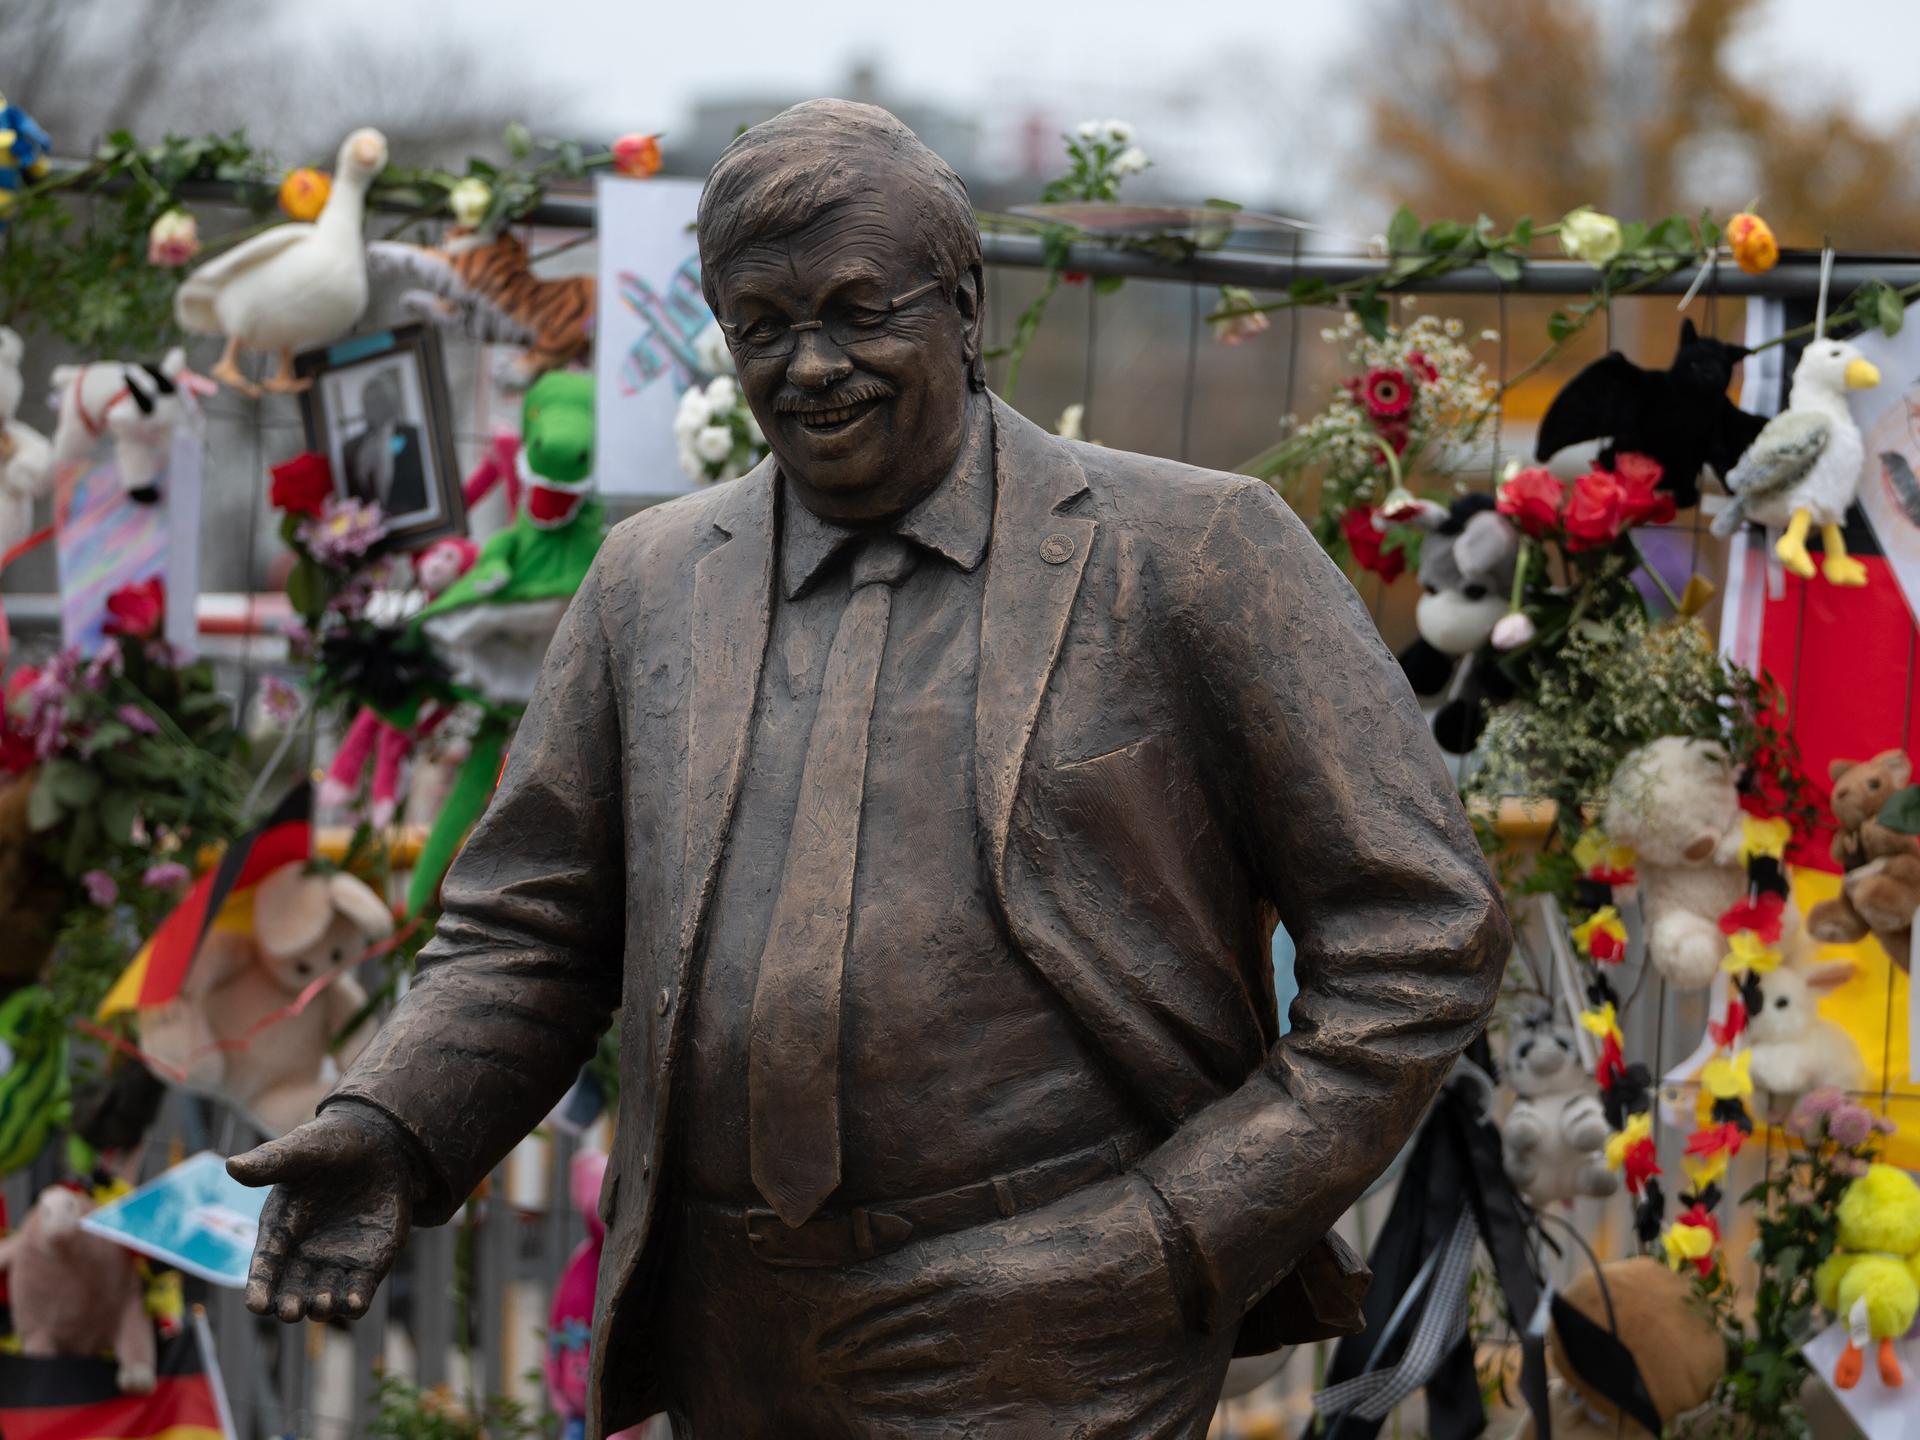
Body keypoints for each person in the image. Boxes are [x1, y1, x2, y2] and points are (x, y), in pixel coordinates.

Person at [230, 100, 1508, 1439]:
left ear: (964, 304)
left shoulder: (1195, 552)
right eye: (762, 326)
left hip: (1060, 1330)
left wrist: (1162, 1238)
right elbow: (529, 930)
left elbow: (1421, 935)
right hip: (734, 1332)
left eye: (857, 312)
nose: (811, 365)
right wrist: (393, 1122)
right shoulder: (648, 585)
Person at [339, 365, 426, 517]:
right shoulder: (351, 448)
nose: (372, 409)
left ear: (391, 403)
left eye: (378, 402)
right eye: (368, 403)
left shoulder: (415, 437)